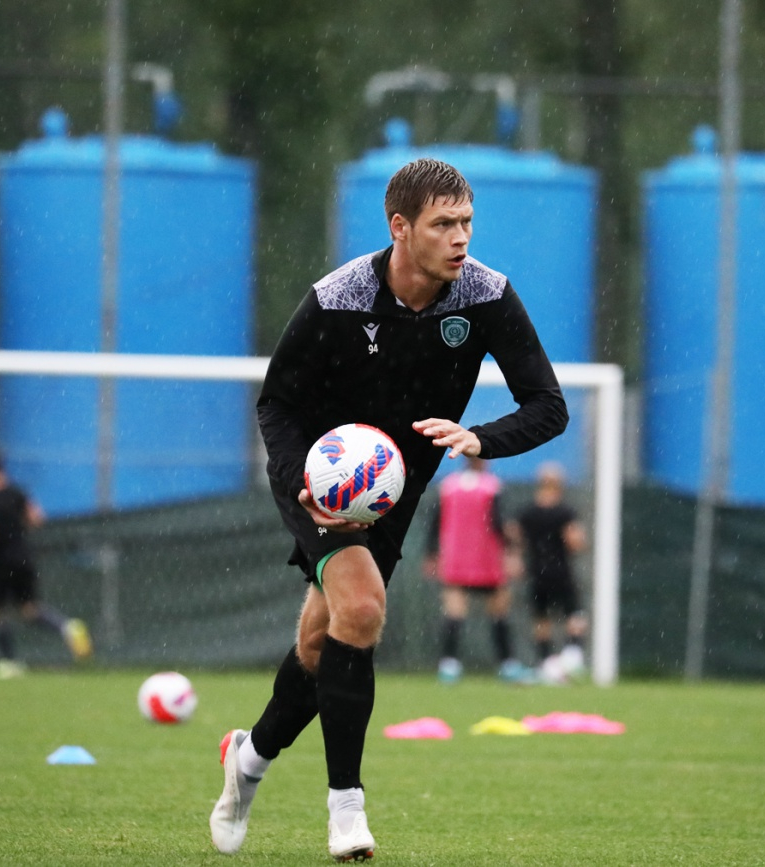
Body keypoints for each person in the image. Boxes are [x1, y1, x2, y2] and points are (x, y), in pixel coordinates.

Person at [209, 158, 568, 861]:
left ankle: (247, 759)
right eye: (443, 224)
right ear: (399, 227)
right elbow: (276, 403)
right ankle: (346, 807)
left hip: (394, 492)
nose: (460, 237)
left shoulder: (487, 295)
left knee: (323, 642)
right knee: (365, 608)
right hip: (319, 479)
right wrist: (306, 482)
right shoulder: (338, 296)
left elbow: (547, 405)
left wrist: (481, 438)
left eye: (466, 222)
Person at [0, 450, 92, 678]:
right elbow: (37, 518)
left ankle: (9, 662)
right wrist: (15, 528)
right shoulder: (17, 492)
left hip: (1, 561)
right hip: (24, 556)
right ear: (1, 466)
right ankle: (67, 627)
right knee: (30, 610)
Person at [423, 455, 528, 684]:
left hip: (456, 558)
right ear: (484, 461)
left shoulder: (449, 486)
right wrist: (512, 551)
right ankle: (508, 664)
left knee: (454, 614)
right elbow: (498, 523)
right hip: (486, 558)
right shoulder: (491, 487)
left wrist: (431, 554)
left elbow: (435, 522)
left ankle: (449, 665)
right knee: (499, 613)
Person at [512, 461, 589, 681]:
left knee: (541, 619)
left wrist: (517, 559)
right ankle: (573, 653)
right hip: (560, 571)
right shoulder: (564, 512)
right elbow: (575, 541)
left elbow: (515, 538)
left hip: (537, 572)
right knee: (574, 614)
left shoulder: (528, 512)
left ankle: (547, 662)